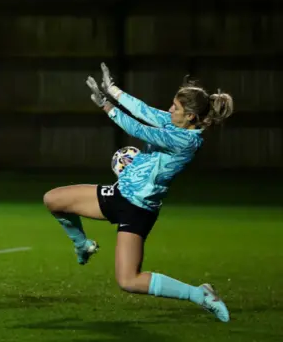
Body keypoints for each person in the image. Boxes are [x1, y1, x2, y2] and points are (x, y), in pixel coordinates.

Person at [43, 63, 233, 322]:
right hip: (119, 194)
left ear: (190, 116)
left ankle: (199, 294)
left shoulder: (186, 141)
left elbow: (139, 129)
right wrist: (112, 89)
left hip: (139, 209)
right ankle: (82, 245)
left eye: (175, 108)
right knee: (53, 199)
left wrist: (106, 106)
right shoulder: (175, 123)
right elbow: (143, 111)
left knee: (129, 280)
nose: (169, 110)